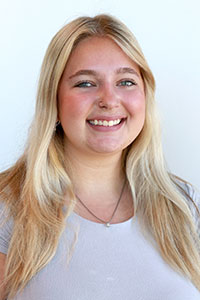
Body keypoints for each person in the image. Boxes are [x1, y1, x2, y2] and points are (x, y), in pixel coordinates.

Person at [0, 14, 200, 300]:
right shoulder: (8, 205)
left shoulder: (184, 206)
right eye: (85, 83)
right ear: (53, 100)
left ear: (145, 96)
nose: (109, 99)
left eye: (126, 82)